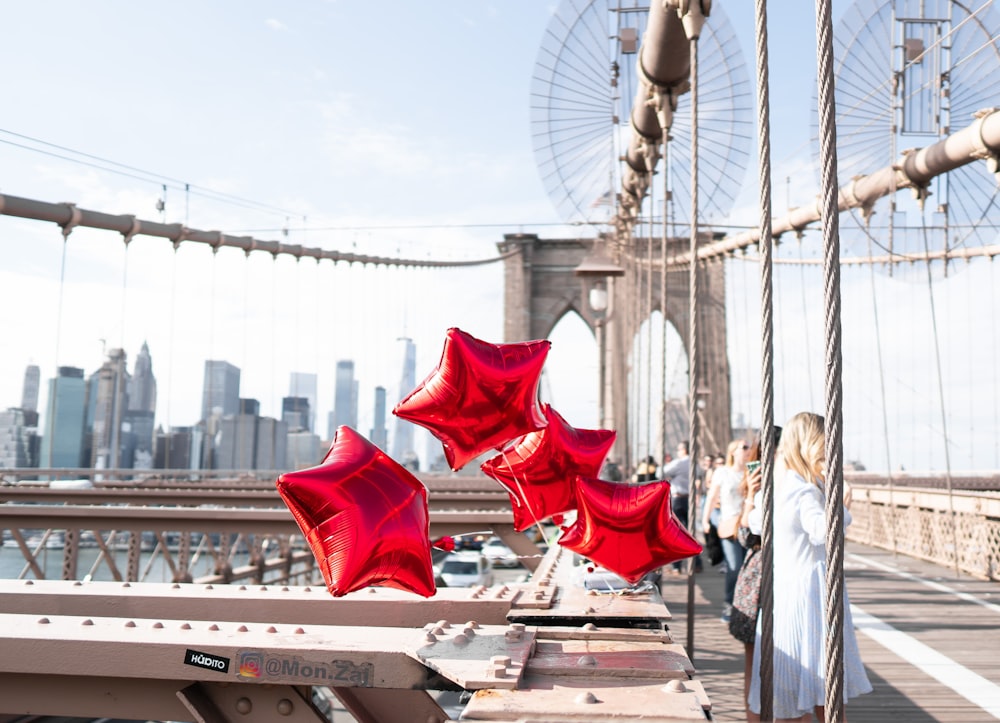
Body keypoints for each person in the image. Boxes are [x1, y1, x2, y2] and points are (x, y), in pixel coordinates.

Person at [748, 412, 872, 721]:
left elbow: (754, 523)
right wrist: (841, 505)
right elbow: (823, 532)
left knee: (787, 688)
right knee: (825, 690)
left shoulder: (776, 488)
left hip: (782, 596)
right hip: (812, 598)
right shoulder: (805, 492)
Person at [728, 426, 781, 723]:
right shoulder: (752, 488)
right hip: (757, 579)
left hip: (785, 578)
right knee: (753, 660)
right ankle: (753, 719)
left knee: (789, 661)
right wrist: (751, 495)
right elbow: (745, 536)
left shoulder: (800, 485)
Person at [701, 438, 750, 622]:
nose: (747, 450)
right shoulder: (722, 472)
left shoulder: (751, 471)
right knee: (734, 567)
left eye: (748, 447)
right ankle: (729, 605)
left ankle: (746, 607)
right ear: (733, 452)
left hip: (749, 526)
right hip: (729, 525)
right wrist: (705, 520)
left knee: (748, 569)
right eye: (743, 447)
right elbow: (712, 497)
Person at [661, 440, 698, 574]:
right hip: (690, 498)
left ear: (684, 450)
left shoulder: (679, 462)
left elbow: (662, 471)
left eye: (679, 449)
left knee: (676, 532)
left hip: (678, 498)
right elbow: (700, 473)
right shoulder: (694, 462)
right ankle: (697, 563)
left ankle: (677, 566)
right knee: (691, 531)